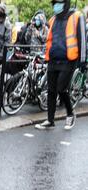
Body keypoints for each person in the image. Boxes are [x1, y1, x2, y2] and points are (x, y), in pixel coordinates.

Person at [35, 0, 86, 131]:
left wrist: (82, 60)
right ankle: (50, 120)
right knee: (51, 90)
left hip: (68, 59)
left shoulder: (77, 16)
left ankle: (70, 113)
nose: (56, 5)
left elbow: (82, 39)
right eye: (54, 3)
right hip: (53, 59)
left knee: (61, 88)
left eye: (59, 2)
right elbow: (49, 39)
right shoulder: (53, 19)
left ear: (66, 3)